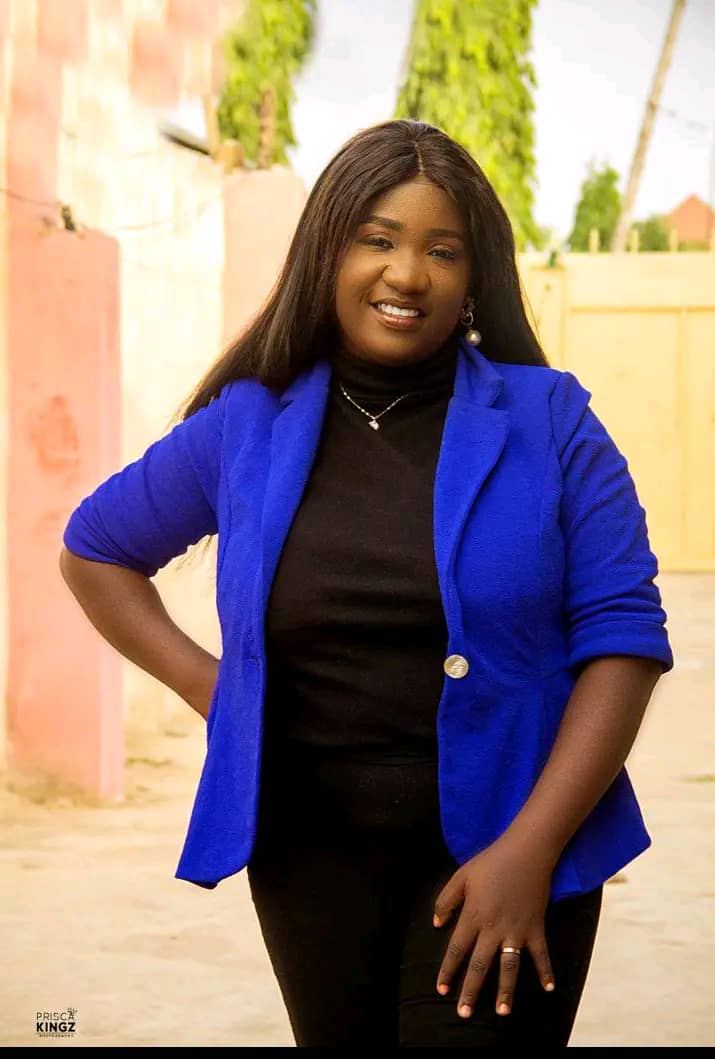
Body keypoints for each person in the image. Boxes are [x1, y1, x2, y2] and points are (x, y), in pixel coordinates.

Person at [60, 118, 674, 1047]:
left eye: (442, 250)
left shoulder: (552, 421)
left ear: (474, 276)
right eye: (376, 239)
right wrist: (218, 693)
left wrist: (531, 851)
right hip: (310, 856)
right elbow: (95, 549)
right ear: (326, 254)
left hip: (507, 849)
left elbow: (623, 638)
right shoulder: (248, 423)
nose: (407, 273)